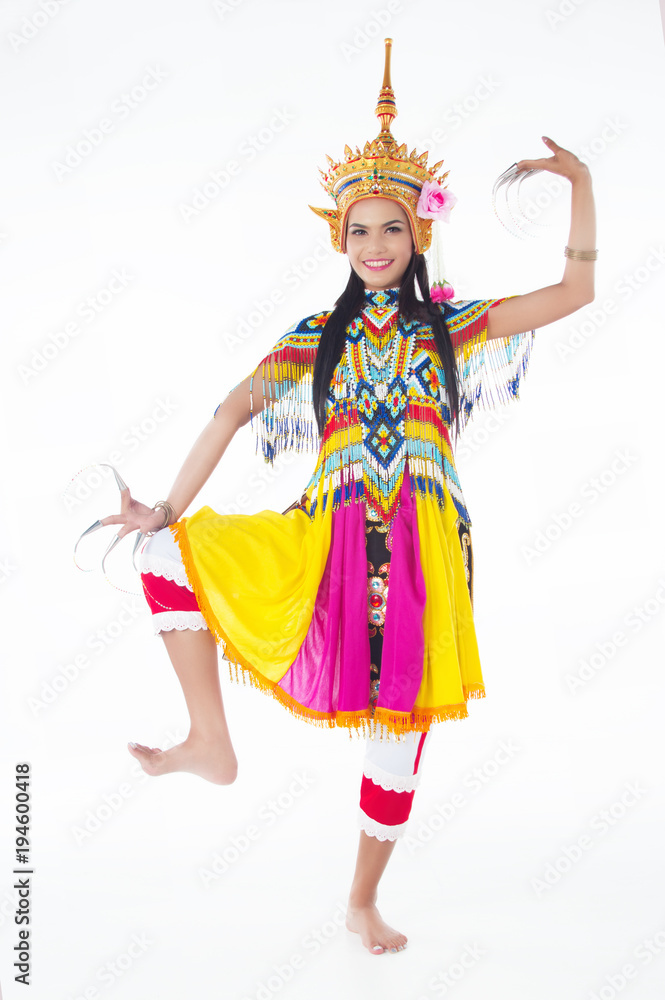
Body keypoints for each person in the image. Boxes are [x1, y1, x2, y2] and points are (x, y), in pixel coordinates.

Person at [94, 39, 596, 956]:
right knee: (164, 555)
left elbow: (575, 291)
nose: (375, 246)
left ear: (418, 233)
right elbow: (228, 413)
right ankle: (210, 739)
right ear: (340, 238)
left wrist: (581, 184)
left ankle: (362, 899)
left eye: (391, 229)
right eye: (359, 230)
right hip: (321, 540)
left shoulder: (454, 326)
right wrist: (164, 506)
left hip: (421, 550)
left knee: (396, 738)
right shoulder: (310, 339)